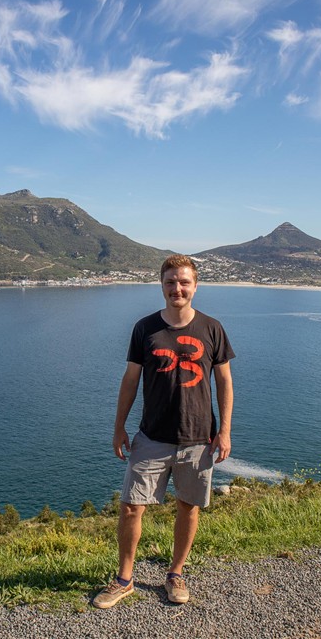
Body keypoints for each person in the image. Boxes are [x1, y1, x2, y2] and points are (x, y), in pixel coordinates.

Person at [93, 254, 234, 608]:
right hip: (152, 436)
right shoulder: (145, 328)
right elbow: (130, 379)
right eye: (170, 282)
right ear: (162, 285)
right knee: (130, 507)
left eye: (184, 282)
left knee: (188, 507)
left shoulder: (212, 328)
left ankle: (176, 573)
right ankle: (124, 579)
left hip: (197, 438)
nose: (177, 289)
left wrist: (225, 431)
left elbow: (224, 382)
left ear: (195, 286)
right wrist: (118, 427)